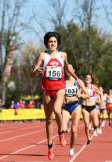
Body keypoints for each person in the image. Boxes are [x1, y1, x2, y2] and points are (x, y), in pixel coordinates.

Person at [31, 31, 80, 160]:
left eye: (54, 42)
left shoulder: (63, 55)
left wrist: (77, 78)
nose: (52, 44)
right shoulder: (43, 55)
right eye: (50, 42)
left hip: (60, 88)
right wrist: (36, 71)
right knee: (48, 120)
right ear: (47, 44)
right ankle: (50, 146)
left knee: (58, 109)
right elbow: (32, 74)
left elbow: (68, 69)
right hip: (47, 89)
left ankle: (61, 132)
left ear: (58, 44)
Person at [61, 64, 89, 156]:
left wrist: (80, 95)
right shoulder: (62, 82)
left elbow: (87, 95)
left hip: (76, 106)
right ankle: (62, 135)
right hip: (65, 107)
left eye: (70, 69)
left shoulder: (78, 82)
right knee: (64, 129)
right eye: (66, 69)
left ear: (74, 70)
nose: (68, 71)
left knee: (73, 129)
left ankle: (72, 148)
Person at [81, 74, 102, 146]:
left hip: (93, 107)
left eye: (89, 78)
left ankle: (96, 128)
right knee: (86, 125)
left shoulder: (94, 87)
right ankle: (89, 139)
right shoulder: (82, 87)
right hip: (85, 107)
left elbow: (100, 93)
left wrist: (101, 101)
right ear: (84, 79)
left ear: (91, 80)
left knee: (96, 124)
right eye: (86, 77)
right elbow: (78, 94)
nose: (87, 79)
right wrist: (82, 95)